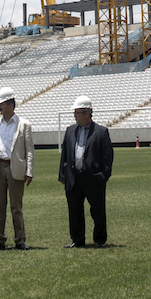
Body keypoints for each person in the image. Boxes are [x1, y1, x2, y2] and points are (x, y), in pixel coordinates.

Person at [58, 95, 113, 248]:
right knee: (74, 210)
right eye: (74, 113)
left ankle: (99, 239)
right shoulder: (70, 131)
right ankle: (77, 239)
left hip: (93, 178)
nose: (75, 116)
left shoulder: (100, 132)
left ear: (87, 113)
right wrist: (63, 175)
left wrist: (102, 176)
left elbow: (107, 157)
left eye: (77, 113)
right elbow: (65, 155)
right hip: (74, 177)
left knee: (98, 210)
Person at [0, 86, 34, 250]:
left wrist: (29, 171)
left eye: (2, 104)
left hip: (15, 168)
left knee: (16, 207)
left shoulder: (23, 124)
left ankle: (20, 240)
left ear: (11, 105)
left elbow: (29, 150)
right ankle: (0, 239)